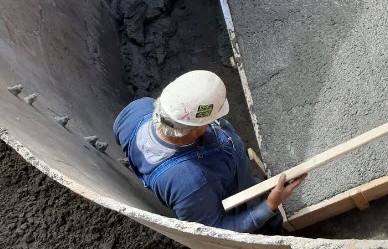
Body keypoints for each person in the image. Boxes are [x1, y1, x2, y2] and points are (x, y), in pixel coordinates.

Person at [114, 70, 305, 233]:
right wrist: (268, 206)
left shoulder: (136, 110)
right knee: (270, 227)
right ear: (198, 128)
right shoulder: (191, 184)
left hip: (235, 181)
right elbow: (215, 230)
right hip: (240, 207)